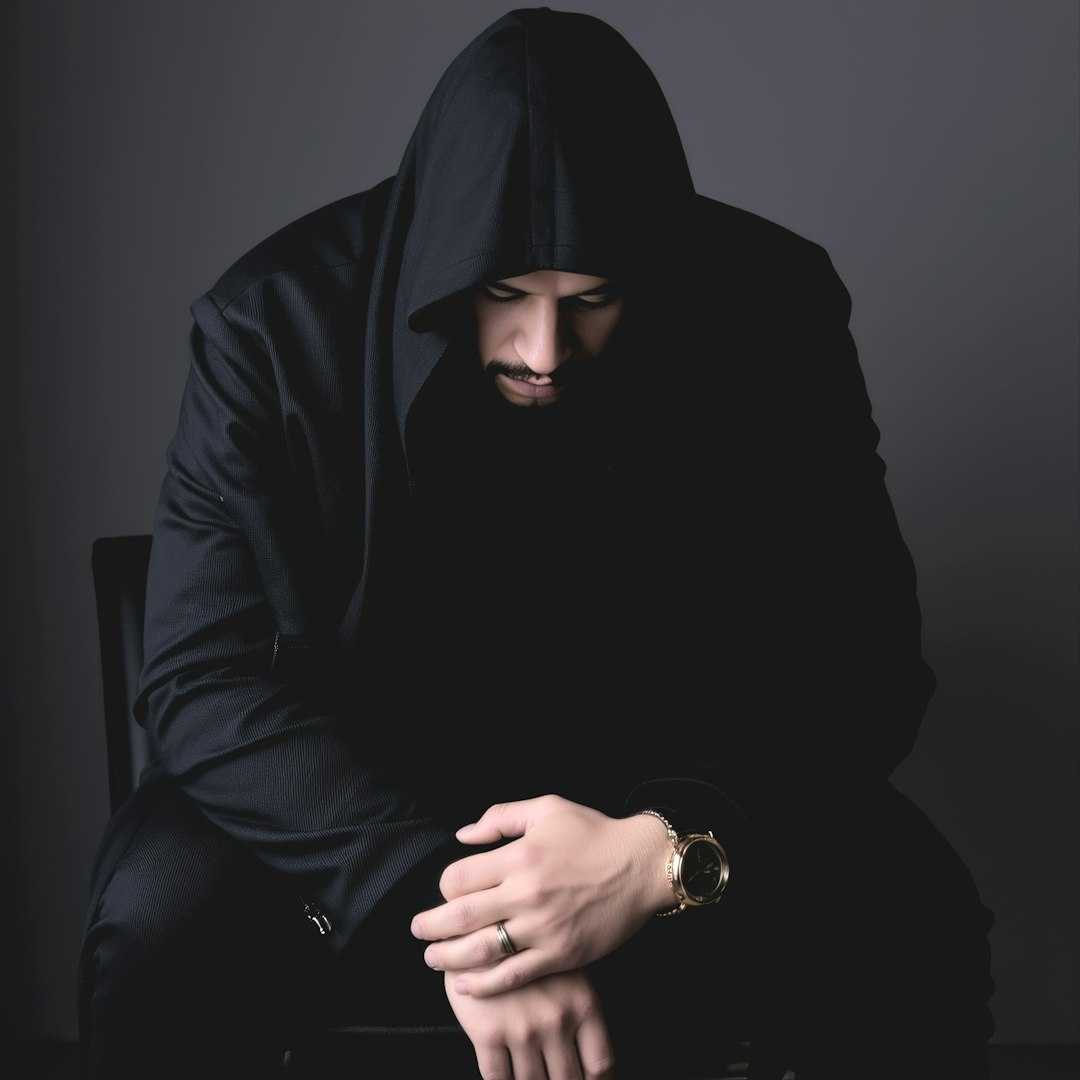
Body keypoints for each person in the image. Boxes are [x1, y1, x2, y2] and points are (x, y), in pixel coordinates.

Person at [77, 7, 996, 1079]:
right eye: (504, 295)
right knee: (158, 917)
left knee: (913, 914)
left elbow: (866, 658)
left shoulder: (778, 303)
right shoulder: (270, 322)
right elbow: (199, 675)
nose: (544, 350)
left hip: (668, 788)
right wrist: (472, 917)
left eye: (592, 298)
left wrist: (661, 851)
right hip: (354, 795)